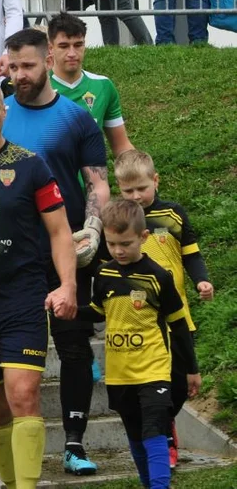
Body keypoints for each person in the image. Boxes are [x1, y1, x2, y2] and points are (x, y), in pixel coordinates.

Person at [0, 74, 78, 489]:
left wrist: (67, 285)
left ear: (4, 111)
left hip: (23, 298)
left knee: (23, 395)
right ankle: (9, 483)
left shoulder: (30, 165)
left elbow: (61, 232)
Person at [0, 28, 111, 476]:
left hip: (66, 250)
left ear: (48, 62)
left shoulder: (76, 118)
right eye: (12, 66)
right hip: (10, 256)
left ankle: (74, 443)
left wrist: (93, 228)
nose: (19, 75)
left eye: (27, 66)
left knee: (73, 346)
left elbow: (97, 180)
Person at [73, 199, 200, 489]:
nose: (118, 250)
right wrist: (69, 310)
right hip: (120, 372)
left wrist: (191, 368)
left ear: (143, 237)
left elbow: (179, 324)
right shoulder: (104, 275)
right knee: (134, 432)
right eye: (112, 243)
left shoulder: (158, 277)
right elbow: (97, 312)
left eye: (126, 244)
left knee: (154, 427)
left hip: (154, 368)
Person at [114, 149, 213, 468]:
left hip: (176, 314)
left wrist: (201, 281)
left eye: (142, 188)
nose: (136, 196)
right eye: (128, 191)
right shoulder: (119, 223)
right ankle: (163, 439)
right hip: (141, 321)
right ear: (119, 190)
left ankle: (163, 422)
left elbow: (192, 255)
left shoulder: (173, 215)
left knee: (181, 383)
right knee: (154, 386)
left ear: (155, 181)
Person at [47, 12, 134, 156]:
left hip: (94, 178)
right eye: (64, 46)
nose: (72, 53)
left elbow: (121, 146)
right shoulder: (38, 89)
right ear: (51, 48)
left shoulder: (103, 86)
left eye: (78, 45)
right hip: (51, 178)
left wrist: (141, 172)